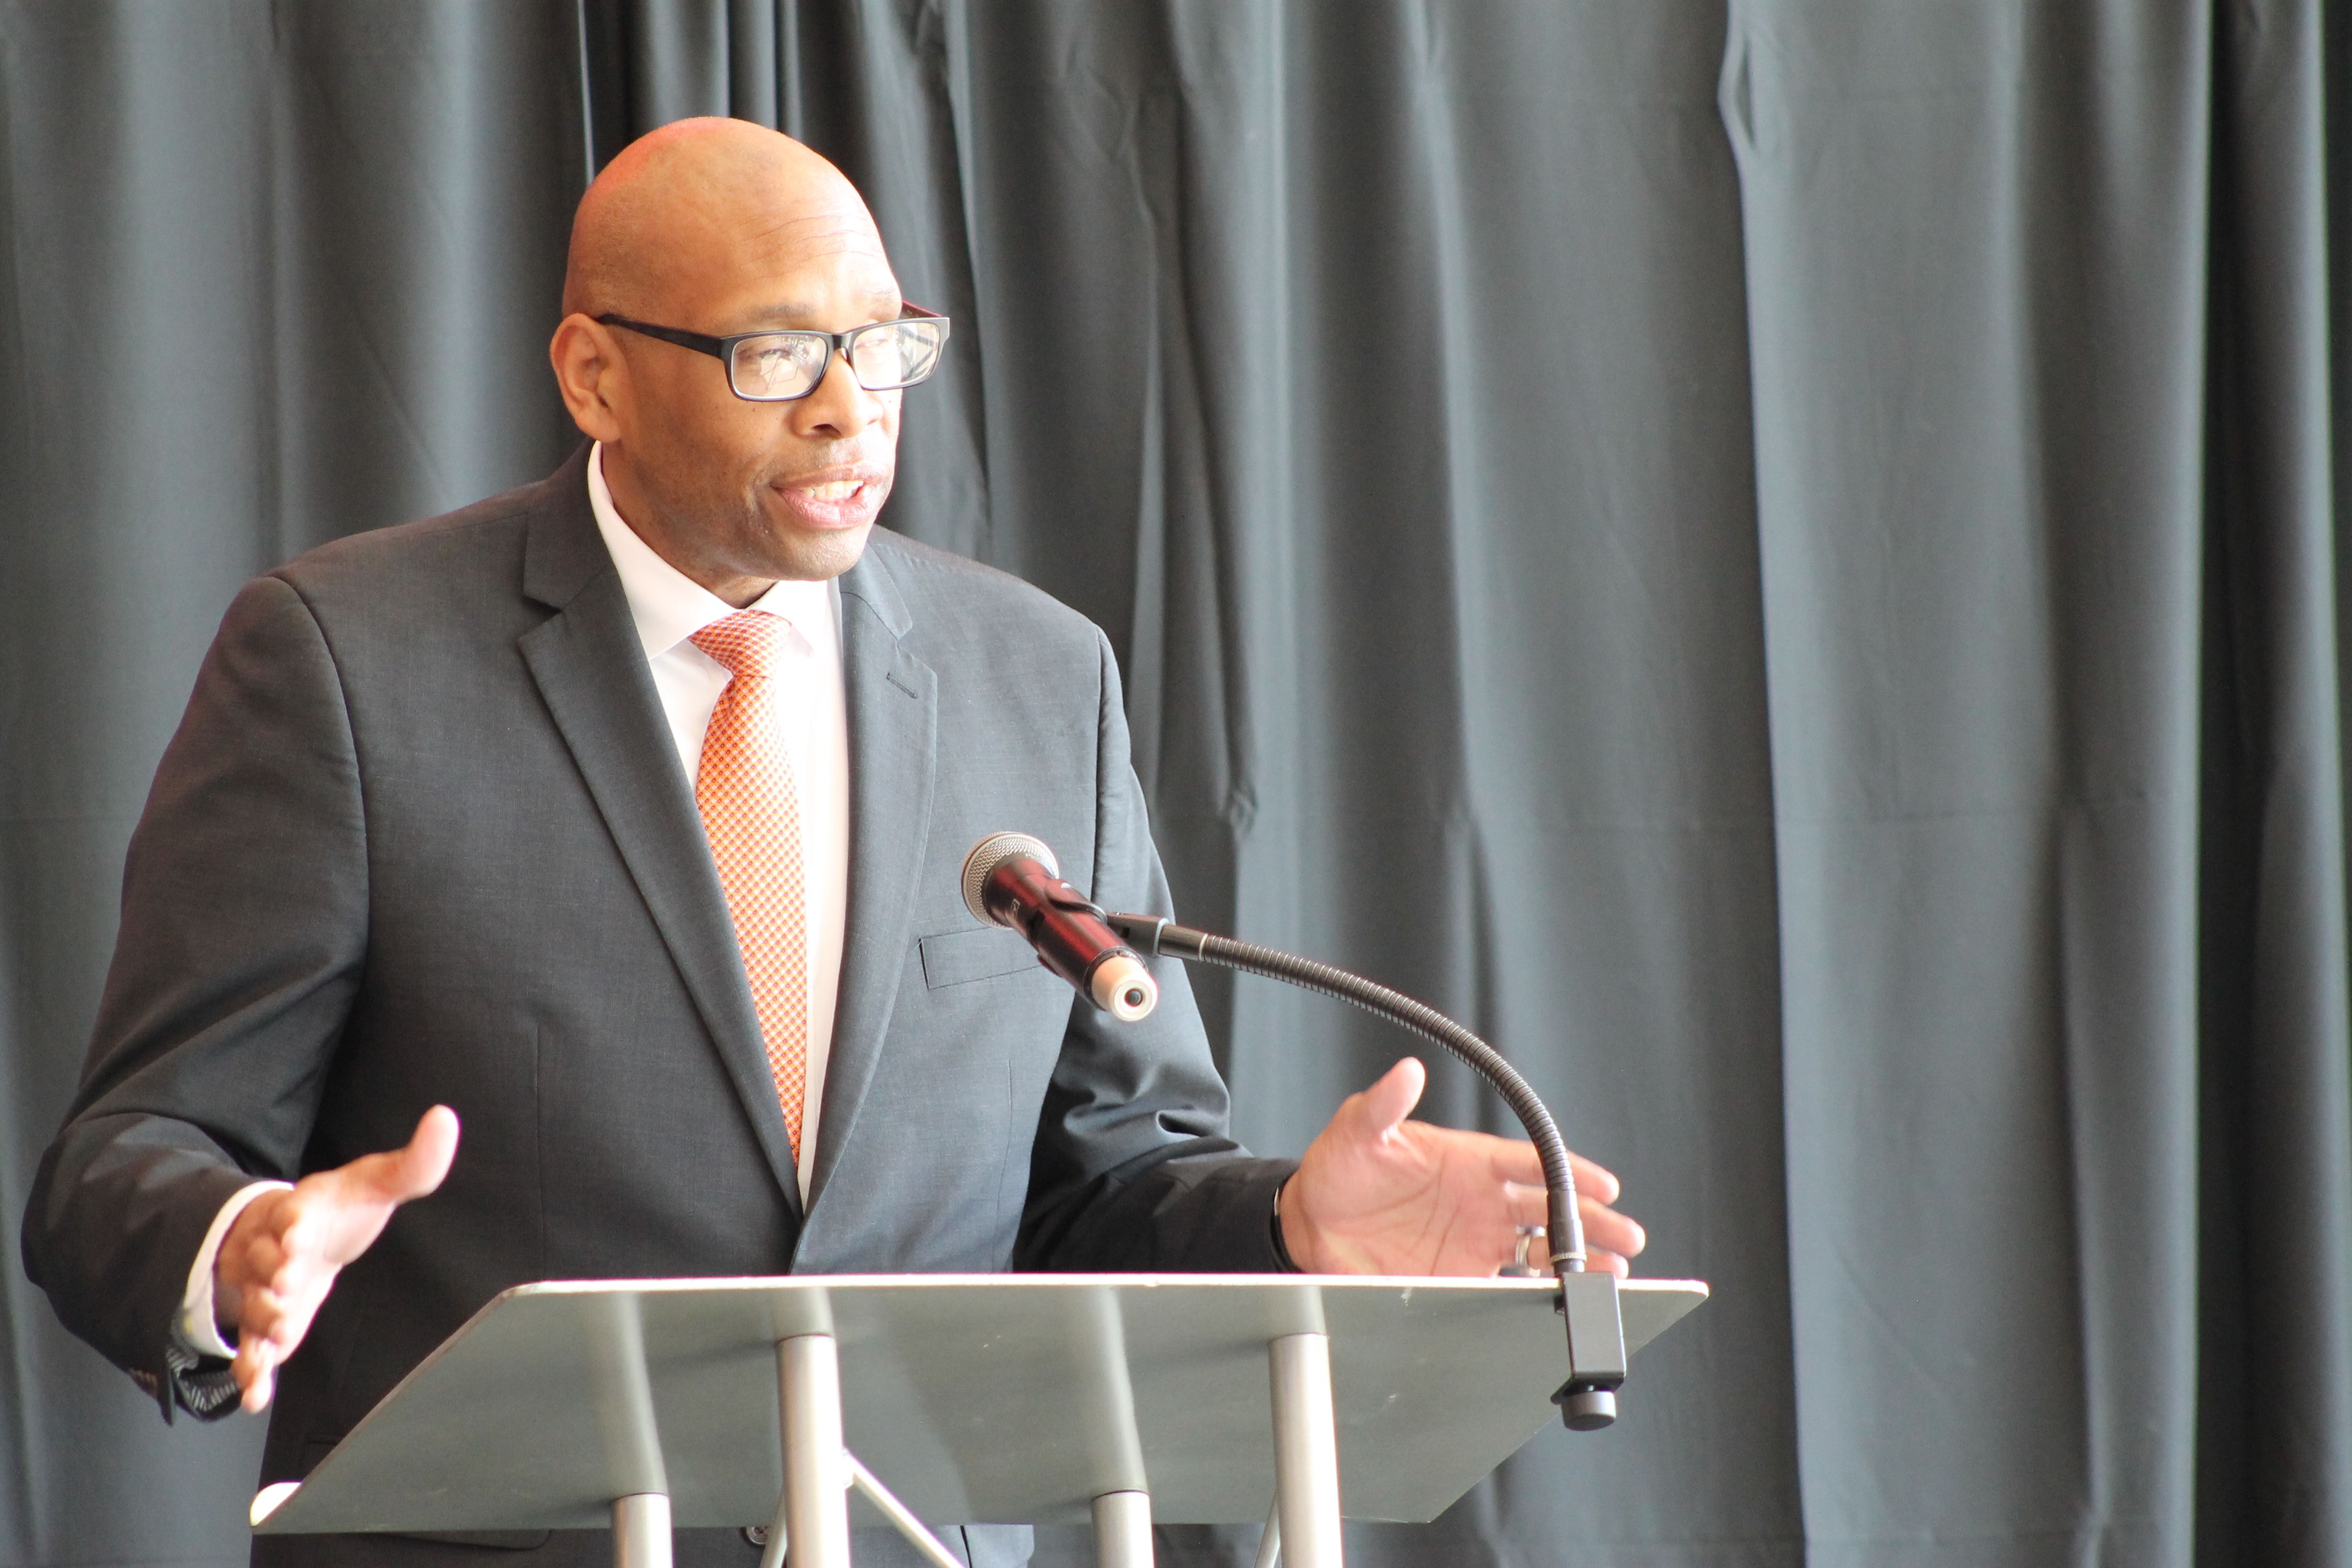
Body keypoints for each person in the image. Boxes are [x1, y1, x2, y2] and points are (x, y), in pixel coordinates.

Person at [21, 119, 1643, 1568]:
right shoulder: (347, 661)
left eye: (883, 348)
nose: (850, 414)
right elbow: (123, 1158)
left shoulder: (1036, 675)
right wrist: (237, 1246)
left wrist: (1292, 1226)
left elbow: (1098, 1190)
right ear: (594, 373)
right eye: (777, 356)